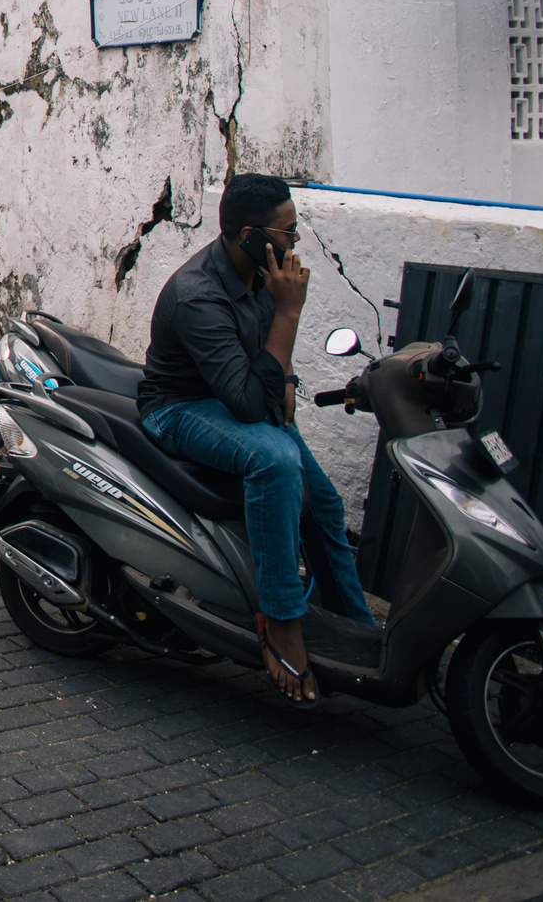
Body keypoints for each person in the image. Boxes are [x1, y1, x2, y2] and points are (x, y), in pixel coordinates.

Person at [139, 173, 372, 703]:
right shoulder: (199, 294)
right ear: (252, 235)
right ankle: (280, 618)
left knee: (326, 504)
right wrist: (290, 311)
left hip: (234, 395)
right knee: (275, 461)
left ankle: (354, 626)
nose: (294, 245)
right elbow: (247, 402)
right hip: (179, 409)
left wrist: (286, 379)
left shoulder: (258, 275)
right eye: (287, 233)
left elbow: (266, 375)